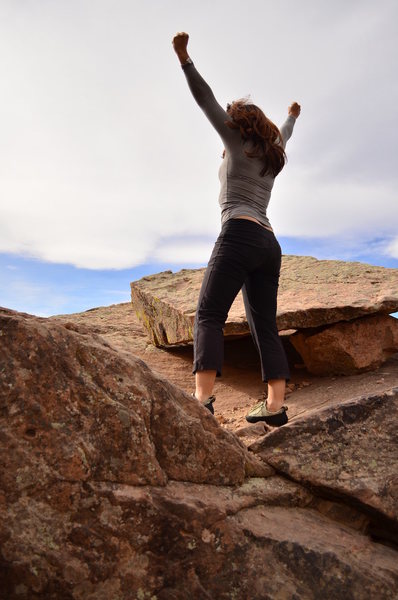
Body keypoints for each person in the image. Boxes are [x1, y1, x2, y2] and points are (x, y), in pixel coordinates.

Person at [172, 32, 301, 427]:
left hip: (239, 234)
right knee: (264, 323)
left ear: (238, 125)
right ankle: (275, 406)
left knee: (209, 314)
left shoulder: (234, 138)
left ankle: (203, 400)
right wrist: (293, 115)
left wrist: (184, 57)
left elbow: (204, 99)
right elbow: (285, 131)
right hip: (269, 243)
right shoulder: (273, 150)